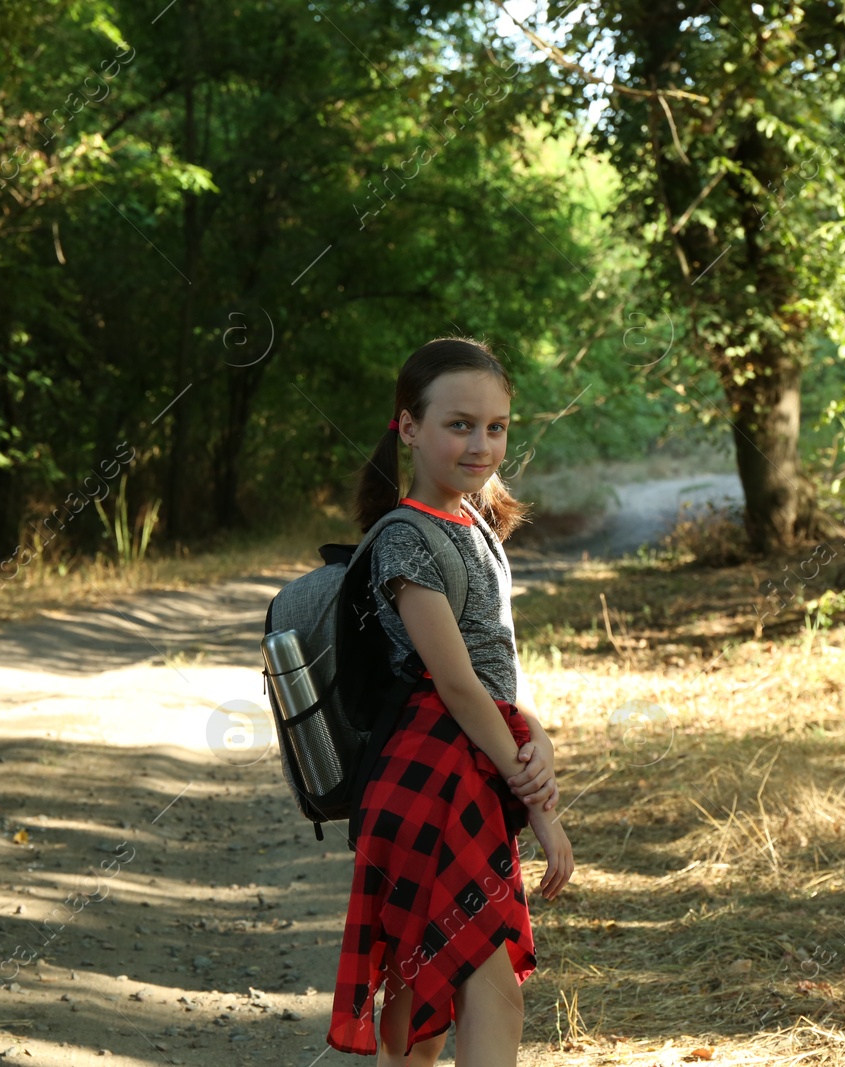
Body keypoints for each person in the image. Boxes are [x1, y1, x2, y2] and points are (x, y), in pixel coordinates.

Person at [326, 336, 575, 1067]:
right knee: (478, 991)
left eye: (495, 426)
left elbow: (498, 677)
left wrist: (538, 737)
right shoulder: (406, 538)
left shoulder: (476, 526)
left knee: (425, 1002)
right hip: (430, 782)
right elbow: (459, 684)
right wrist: (538, 800)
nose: (480, 443)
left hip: (469, 770)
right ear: (408, 426)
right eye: (458, 424)